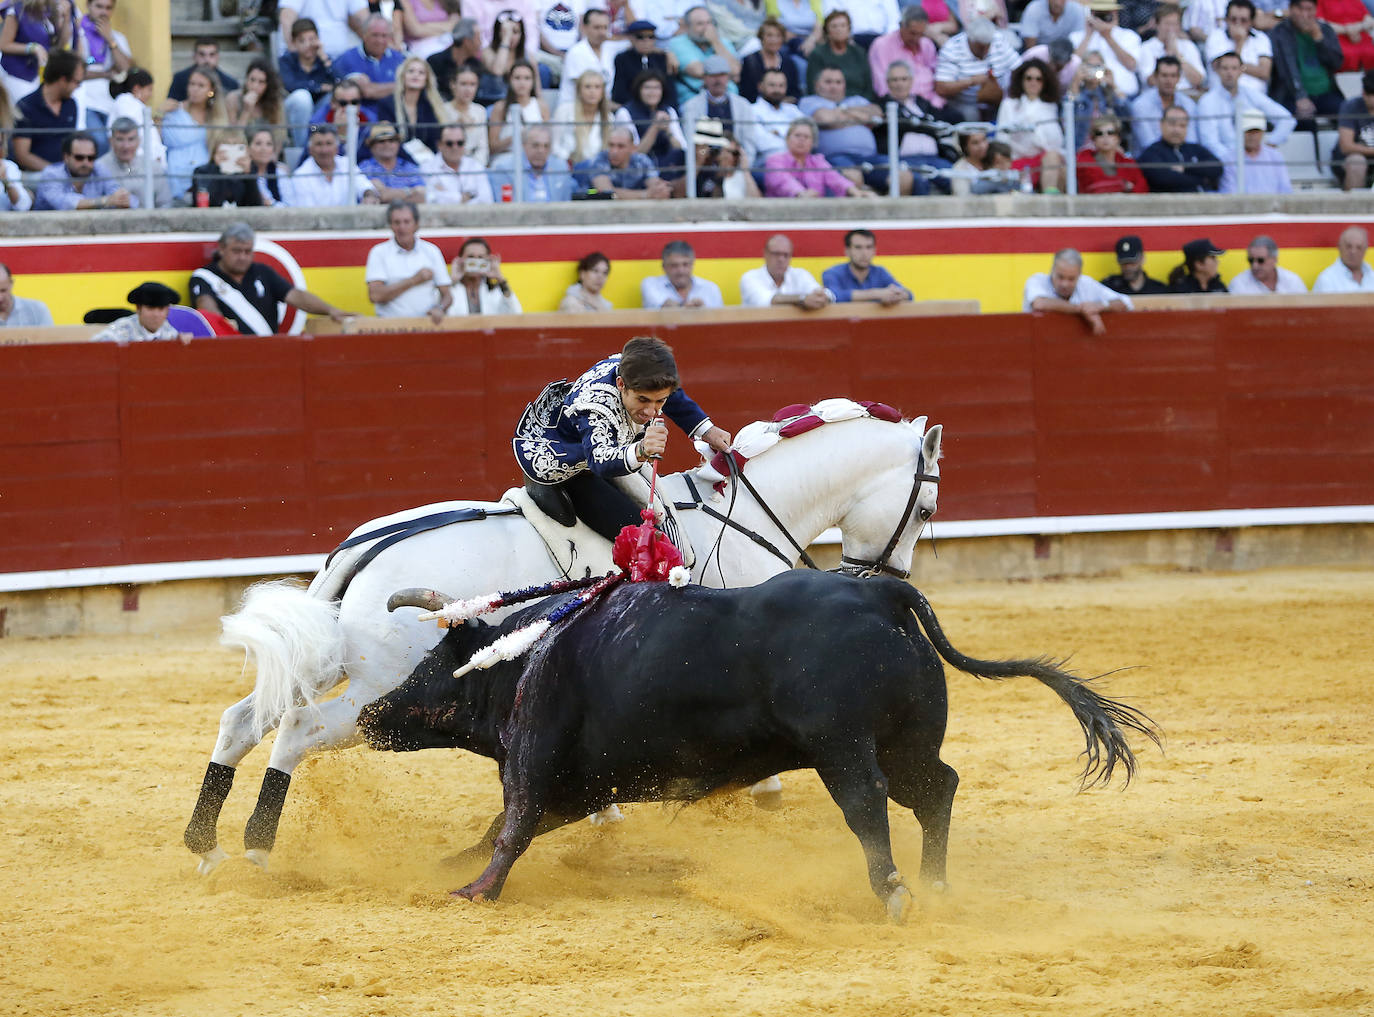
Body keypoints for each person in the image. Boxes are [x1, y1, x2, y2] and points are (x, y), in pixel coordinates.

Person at [512, 336, 731, 540]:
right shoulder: (594, 405)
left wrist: (707, 431)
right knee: (644, 541)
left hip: (612, 445)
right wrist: (641, 450)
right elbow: (599, 460)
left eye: (659, 402)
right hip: (567, 466)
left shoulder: (636, 369)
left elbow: (669, 394)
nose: (651, 411)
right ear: (620, 384)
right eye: (642, 400)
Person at [191, 222, 350, 335]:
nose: (242, 257)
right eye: (236, 251)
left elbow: (296, 296)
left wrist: (331, 310)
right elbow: (207, 310)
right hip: (231, 350)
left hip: (268, 348)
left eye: (247, 252)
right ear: (221, 249)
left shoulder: (263, 272)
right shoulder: (204, 277)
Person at [1196, 50, 1296, 193]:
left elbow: (1286, 120)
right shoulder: (1207, 102)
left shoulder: (1251, 94)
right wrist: (1234, 158)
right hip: (1226, 162)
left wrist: (1269, 144)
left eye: (1234, 68)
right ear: (1217, 70)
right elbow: (1209, 142)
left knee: (1273, 161)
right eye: (1225, 68)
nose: (1229, 73)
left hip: (1255, 157)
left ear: (1242, 70)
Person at [800, 66, 910, 193]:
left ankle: (889, 211)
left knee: (904, 175)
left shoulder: (857, 99)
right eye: (828, 82)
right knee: (852, 177)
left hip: (870, 156)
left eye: (838, 82)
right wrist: (860, 118)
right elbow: (825, 119)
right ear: (817, 85)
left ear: (844, 85)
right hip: (834, 157)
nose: (834, 86)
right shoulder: (809, 101)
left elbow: (876, 114)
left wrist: (841, 112)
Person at [365, 200, 452, 323]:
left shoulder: (431, 251)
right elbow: (375, 295)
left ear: (416, 225)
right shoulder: (379, 252)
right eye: (397, 222)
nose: (402, 227)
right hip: (390, 328)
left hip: (426, 326)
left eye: (407, 222)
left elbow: (447, 295)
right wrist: (414, 280)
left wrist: (440, 308)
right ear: (390, 225)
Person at [1024, 248, 1133, 335]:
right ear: (1052, 270)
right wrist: (1082, 310)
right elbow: (1039, 303)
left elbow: (1125, 302)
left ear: (1079, 275)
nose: (1064, 284)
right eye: (1060, 277)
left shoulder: (1086, 283)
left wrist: (1100, 306)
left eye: (1071, 279)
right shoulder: (1037, 280)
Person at [996, 58, 1067, 193]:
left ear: (1044, 82)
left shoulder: (1050, 106)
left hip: (1041, 160)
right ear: (1021, 80)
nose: (1033, 83)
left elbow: (1056, 142)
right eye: (1029, 78)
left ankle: (1050, 199)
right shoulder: (1009, 104)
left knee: (1055, 159)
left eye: (1038, 79)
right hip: (1015, 159)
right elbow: (1002, 138)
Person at [160, 65, 229, 201]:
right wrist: (159, 114)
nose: (195, 89)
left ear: (211, 90)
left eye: (201, 85)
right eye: (192, 84)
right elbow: (160, 139)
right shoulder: (174, 110)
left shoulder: (218, 118)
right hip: (175, 176)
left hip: (205, 179)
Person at [1267, 0, 1342, 122]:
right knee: (1302, 120)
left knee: (1346, 113)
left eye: (1309, 9)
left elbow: (1336, 63)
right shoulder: (1279, 33)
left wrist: (1319, 39)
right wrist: (1300, 96)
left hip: (1326, 92)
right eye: (1300, 9)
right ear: (1291, 9)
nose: (1304, 15)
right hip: (1290, 94)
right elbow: (1284, 71)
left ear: (1315, 10)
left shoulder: (1325, 30)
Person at [762, 116, 873, 196]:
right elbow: (783, 181)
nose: (801, 140)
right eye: (797, 135)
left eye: (806, 137)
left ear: (813, 142)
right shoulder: (775, 160)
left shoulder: (818, 161)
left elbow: (835, 179)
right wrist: (801, 193)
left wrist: (854, 191)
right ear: (787, 139)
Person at [10, 48, 82, 170]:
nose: (78, 87)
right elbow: (22, 155)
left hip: (64, 175)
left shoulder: (71, 105)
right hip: (34, 175)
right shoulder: (25, 106)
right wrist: (54, 173)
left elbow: (71, 146)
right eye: (77, 82)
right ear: (63, 80)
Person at [934, 18, 1018, 122]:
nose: (985, 51)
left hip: (999, 99)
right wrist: (971, 81)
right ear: (970, 40)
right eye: (980, 47)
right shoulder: (951, 48)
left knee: (1011, 109)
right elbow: (941, 88)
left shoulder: (999, 39)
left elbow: (1019, 68)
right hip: (966, 102)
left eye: (988, 46)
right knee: (971, 116)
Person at [681, 54, 760, 164]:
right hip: (704, 165)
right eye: (713, 75)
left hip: (736, 164)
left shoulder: (743, 105)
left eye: (722, 75)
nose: (718, 80)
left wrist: (744, 168)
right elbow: (690, 140)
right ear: (704, 78)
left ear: (728, 77)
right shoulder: (691, 106)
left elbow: (749, 141)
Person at [73, 0, 132, 133]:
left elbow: (126, 69)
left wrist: (110, 40)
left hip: (109, 103)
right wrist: (107, 74)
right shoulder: (76, 32)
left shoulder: (117, 37)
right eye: (99, 6)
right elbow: (76, 73)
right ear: (88, 5)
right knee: (100, 142)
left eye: (108, 8)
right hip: (85, 101)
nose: (103, 12)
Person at [375, 54, 454, 153]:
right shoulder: (387, 104)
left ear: (426, 80)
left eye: (421, 72)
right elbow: (386, 140)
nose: (415, 75)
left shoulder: (432, 105)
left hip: (428, 160)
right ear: (403, 76)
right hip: (396, 159)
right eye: (411, 71)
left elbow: (435, 139)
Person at [33, 129, 128, 210]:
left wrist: (122, 198)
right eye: (79, 157)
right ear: (66, 157)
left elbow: (116, 192)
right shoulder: (51, 174)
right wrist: (105, 201)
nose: (85, 162)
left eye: (90, 158)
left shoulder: (98, 168)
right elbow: (64, 203)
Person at [279, 17, 338, 146]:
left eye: (312, 39)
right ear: (294, 43)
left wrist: (323, 57)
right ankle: (303, 148)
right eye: (302, 41)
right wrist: (318, 87)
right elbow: (291, 85)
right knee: (302, 98)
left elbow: (340, 85)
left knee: (332, 98)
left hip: (318, 110)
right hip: (293, 112)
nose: (308, 45)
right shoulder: (286, 60)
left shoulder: (325, 60)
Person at [289, 123, 381, 205]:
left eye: (329, 143)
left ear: (337, 148)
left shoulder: (346, 164)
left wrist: (369, 195)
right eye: (319, 144)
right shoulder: (300, 175)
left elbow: (365, 186)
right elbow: (308, 213)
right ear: (310, 150)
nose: (324, 150)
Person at [614, 68, 686, 171]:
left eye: (657, 88)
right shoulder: (625, 113)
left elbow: (681, 149)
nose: (652, 92)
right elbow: (635, 154)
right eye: (647, 88)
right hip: (638, 170)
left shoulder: (669, 111)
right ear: (639, 90)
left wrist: (668, 131)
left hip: (667, 166)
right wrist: (655, 127)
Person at [1068, 0, 1142, 101]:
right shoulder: (1076, 37)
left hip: (1123, 96)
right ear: (1092, 13)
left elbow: (1131, 65)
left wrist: (1107, 36)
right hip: (1086, 98)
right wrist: (1088, 35)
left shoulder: (1129, 36)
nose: (1103, 17)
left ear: (1115, 13)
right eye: (1099, 13)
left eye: (1107, 12)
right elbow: (1071, 68)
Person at [1137, 106, 1222, 192]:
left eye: (1182, 125)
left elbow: (1217, 168)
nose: (1177, 130)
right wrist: (1202, 180)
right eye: (1172, 124)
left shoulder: (1195, 148)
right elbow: (1164, 179)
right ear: (1161, 125)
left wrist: (1185, 168)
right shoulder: (1151, 153)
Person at [0, 0, 72, 101]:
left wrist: (67, 16)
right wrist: (32, 48)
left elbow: (61, 44)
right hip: (17, 75)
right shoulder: (17, 9)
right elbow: (4, 44)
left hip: (38, 75)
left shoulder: (49, 10)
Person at [94, 116, 172, 208]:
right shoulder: (99, 167)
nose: (126, 146)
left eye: (131, 139)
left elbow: (165, 205)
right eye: (120, 139)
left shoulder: (154, 168)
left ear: (139, 141)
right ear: (111, 141)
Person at [868, 5, 939, 106]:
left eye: (921, 34)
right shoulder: (882, 45)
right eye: (912, 33)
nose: (916, 38)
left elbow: (937, 79)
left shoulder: (927, 44)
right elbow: (882, 88)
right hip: (900, 104)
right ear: (901, 25)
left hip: (931, 104)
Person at [739, 233, 833, 309]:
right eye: (776, 254)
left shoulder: (801, 274)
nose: (781, 259)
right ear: (765, 254)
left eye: (786, 255)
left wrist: (822, 297)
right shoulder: (750, 277)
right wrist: (802, 299)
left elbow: (827, 294)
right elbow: (765, 301)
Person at [576, 124, 673, 196]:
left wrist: (660, 190)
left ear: (633, 148)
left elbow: (655, 186)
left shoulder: (642, 160)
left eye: (620, 146)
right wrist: (645, 194)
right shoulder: (600, 159)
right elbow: (607, 192)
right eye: (611, 145)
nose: (614, 151)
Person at [333, 14, 406, 109]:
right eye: (375, 35)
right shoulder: (349, 58)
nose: (380, 40)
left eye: (384, 35)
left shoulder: (399, 58)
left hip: (394, 115)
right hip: (363, 117)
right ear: (364, 35)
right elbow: (367, 91)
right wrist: (401, 86)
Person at [821, 229, 913, 305]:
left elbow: (908, 295)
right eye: (858, 247)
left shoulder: (880, 272)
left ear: (874, 251)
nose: (864, 253)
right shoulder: (832, 273)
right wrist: (876, 294)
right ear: (847, 251)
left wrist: (897, 295)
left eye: (868, 247)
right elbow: (832, 296)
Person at [668, 5, 741, 99]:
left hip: (729, 98)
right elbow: (698, 71)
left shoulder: (721, 42)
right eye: (700, 24)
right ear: (687, 27)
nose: (707, 28)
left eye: (709, 23)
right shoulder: (677, 43)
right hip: (693, 99)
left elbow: (735, 70)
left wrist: (715, 42)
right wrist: (726, 72)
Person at [1130, 54, 1199, 153]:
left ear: (1179, 78)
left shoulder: (1188, 105)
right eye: (1164, 75)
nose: (1169, 81)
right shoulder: (1140, 105)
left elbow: (1192, 141)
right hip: (1151, 161)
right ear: (1155, 77)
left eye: (1173, 76)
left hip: (1183, 157)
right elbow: (1148, 143)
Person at [491, 122, 573, 201]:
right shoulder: (504, 169)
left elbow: (566, 203)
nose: (541, 150)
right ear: (524, 145)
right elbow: (505, 209)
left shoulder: (561, 167)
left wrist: (587, 191)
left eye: (546, 146)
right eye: (535, 145)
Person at [1203, 0, 1272, 94]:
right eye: (1233, 19)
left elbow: (1264, 72)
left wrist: (1238, 67)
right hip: (1222, 94)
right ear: (1226, 19)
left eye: (1243, 20)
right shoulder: (1215, 37)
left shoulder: (1261, 38)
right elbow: (1218, 66)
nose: (1238, 24)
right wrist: (1239, 43)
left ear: (1251, 22)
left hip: (1255, 96)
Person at [488, 59, 548, 160]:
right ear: (510, 80)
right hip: (506, 159)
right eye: (517, 78)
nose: (522, 83)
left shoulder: (541, 106)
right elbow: (492, 147)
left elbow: (547, 139)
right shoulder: (500, 107)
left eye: (527, 78)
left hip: (534, 160)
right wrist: (517, 136)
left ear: (533, 81)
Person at [1136, 4, 1205, 91]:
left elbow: (1198, 80)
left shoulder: (1188, 46)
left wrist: (1177, 55)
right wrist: (1168, 56)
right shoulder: (1146, 47)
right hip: (1157, 94)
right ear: (1157, 25)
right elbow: (1151, 81)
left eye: (1175, 24)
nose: (1171, 29)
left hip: (1186, 93)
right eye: (1167, 24)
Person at [421, 122, 495, 203]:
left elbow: (487, 200)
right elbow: (430, 199)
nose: (455, 147)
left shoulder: (476, 166)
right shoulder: (427, 168)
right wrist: (460, 198)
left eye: (460, 143)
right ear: (439, 145)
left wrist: (447, 197)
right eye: (449, 143)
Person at [448, 235, 523, 315]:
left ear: (487, 261)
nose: (476, 261)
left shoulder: (494, 291)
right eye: (471, 256)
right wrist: (451, 281)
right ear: (460, 260)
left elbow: (516, 313)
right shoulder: (452, 289)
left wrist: (500, 278)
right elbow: (439, 311)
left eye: (480, 257)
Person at [552, 68, 613, 165]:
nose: (592, 91)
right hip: (568, 167)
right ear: (579, 90)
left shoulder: (609, 117)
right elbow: (554, 145)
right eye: (587, 87)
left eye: (597, 87)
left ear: (602, 92)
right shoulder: (564, 111)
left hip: (597, 169)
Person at [806, 9, 872, 100]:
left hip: (858, 102)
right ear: (827, 31)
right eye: (834, 26)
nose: (839, 29)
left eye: (843, 25)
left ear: (849, 29)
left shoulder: (859, 53)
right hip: (825, 102)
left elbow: (869, 86)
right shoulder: (817, 54)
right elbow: (812, 86)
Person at [613, 18, 678, 107]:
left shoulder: (662, 58)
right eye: (640, 37)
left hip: (660, 108)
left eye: (651, 37)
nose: (647, 41)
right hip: (632, 109)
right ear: (631, 38)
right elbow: (620, 91)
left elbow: (670, 90)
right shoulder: (623, 59)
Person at [191, 128, 263, 207]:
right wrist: (217, 169)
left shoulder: (249, 172)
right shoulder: (202, 172)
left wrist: (249, 176)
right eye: (227, 145)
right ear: (216, 148)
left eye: (236, 145)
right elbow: (207, 205)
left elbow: (256, 206)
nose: (231, 151)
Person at [164, 37, 242, 111]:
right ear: (194, 56)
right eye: (202, 54)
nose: (207, 60)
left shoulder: (230, 83)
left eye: (212, 55)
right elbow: (169, 105)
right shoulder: (180, 79)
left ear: (217, 57)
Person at [1076, 114, 1148, 193]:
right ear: (1094, 139)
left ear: (1118, 138)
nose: (1105, 137)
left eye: (1110, 133)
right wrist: (1123, 185)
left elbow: (1143, 188)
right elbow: (1095, 188)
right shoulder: (1084, 160)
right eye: (1099, 133)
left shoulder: (1128, 163)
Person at [641, 239, 724, 308]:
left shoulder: (711, 288)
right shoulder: (651, 285)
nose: (680, 271)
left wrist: (705, 312)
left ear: (692, 264)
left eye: (685, 264)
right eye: (674, 266)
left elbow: (720, 322)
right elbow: (664, 306)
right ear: (664, 267)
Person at [92, 281, 184, 343]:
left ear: (167, 310)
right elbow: (94, 348)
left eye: (161, 309)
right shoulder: (123, 329)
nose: (156, 315)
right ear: (138, 309)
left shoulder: (168, 329)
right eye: (150, 308)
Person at [558, 8, 616, 105]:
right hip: (573, 110)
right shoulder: (576, 52)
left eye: (605, 27)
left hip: (601, 109)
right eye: (597, 27)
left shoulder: (610, 50)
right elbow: (585, 90)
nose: (602, 32)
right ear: (584, 28)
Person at [278, 0, 369, 60]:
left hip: (341, 56)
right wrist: (294, 52)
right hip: (309, 59)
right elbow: (286, 17)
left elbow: (364, 18)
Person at [1232, 106, 1292, 193]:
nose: (1253, 136)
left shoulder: (1275, 156)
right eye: (1249, 131)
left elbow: (1286, 190)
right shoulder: (1229, 159)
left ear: (1262, 133)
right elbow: (1230, 193)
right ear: (1240, 133)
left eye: (1256, 131)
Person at [740, 17, 800, 102]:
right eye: (769, 35)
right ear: (761, 38)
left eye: (778, 36)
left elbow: (795, 93)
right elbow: (746, 93)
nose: (774, 40)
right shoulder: (750, 61)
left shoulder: (788, 62)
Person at [1331, 70, 1374, 190]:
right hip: (1348, 159)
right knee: (1357, 162)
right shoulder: (1351, 106)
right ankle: (1354, 207)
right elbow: (1346, 147)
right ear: (1364, 93)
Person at [226, 58, 288, 140]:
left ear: (268, 85)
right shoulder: (233, 99)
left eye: (261, 82)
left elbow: (280, 137)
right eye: (252, 80)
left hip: (268, 150)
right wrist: (246, 111)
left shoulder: (275, 101)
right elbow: (233, 138)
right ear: (246, 79)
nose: (255, 86)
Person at [428, 17, 485, 102]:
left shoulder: (475, 65)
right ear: (467, 41)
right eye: (478, 38)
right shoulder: (435, 62)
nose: (480, 43)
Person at [750, 66, 802, 159]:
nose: (777, 90)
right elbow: (762, 144)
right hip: (768, 165)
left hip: (799, 161)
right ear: (760, 87)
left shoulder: (793, 110)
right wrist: (792, 135)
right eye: (772, 85)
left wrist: (778, 133)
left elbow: (809, 137)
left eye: (781, 85)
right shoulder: (752, 110)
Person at [1227, 235, 1308, 294]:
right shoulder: (1238, 284)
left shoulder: (1292, 281)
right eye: (1251, 260)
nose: (1255, 265)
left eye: (1260, 260)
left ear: (1274, 259)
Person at [447, 65, 491, 165]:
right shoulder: (443, 110)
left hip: (475, 166)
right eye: (463, 84)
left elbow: (483, 147)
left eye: (472, 84)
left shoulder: (480, 110)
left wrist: (476, 167)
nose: (468, 89)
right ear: (453, 84)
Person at [1100, 234, 1169, 295]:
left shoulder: (1158, 290)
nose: (1128, 267)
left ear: (1142, 258)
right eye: (1124, 262)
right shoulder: (1109, 289)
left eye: (1132, 262)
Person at [1312, 225, 1374, 292]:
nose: (1353, 251)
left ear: (1365, 249)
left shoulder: (1372, 276)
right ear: (1339, 247)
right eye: (1348, 246)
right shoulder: (1327, 279)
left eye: (1359, 247)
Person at [1316, 0, 1374, 71]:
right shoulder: (1321, 1)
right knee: (1346, 55)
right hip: (1337, 38)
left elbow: (1369, 19)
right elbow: (1320, 23)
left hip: (1360, 37)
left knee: (1370, 53)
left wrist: (1357, 27)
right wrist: (1346, 30)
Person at [395, 0, 463, 59]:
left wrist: (425, 25)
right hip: (419, 47)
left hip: (446, 40)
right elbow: (416, 30)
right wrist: (445, 27)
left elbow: (455, 24)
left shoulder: (442, 2)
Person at [246, 125, 291, 205]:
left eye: (269, 144)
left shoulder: (280, 173)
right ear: (248, 148)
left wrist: (270, 203)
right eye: (258, 143)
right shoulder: (243, 175)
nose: (264, 149)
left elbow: (291, 206)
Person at [0, 263, 53, 328]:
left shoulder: (37, 310)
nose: (0, 298)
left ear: (11, 283)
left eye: (3, 290)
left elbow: (50, 337)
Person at [1019, 0, 1086, 49]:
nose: (1058, 3)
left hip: (1064, 53)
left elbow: (1078, 40)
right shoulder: (1034, 8)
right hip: (1038, 51)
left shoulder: (1077, 10)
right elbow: (1030, 47)